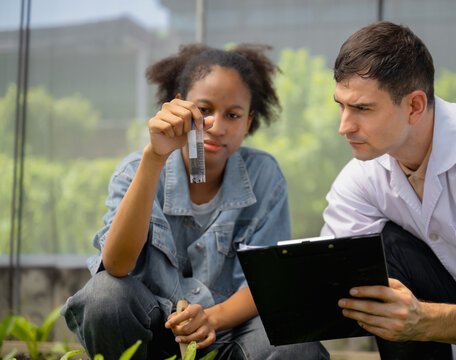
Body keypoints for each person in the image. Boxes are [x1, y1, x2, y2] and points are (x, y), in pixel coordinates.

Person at [62, 43, 329, 360]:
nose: (216, 125)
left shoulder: (264, 175)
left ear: (249, 121)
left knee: (298, 347)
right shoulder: (136, 170)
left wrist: (211, 318)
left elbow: (265, 285)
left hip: (228, 332)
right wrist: (154, 158)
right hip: (150, 329)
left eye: (232, 114)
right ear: (177, 106)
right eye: (204, 110)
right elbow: (117, 266)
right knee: (103, 296)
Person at [321, 21, 456, 360]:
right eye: (341, 105)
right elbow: (329, 273)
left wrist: (423, 321)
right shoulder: (363, 175)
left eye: (362, 108)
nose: (344, 126)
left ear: (415, 107)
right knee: (372, 252)